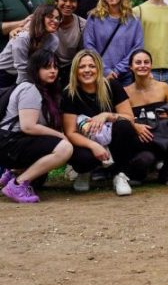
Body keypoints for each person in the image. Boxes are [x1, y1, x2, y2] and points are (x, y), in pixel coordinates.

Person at [0, 49, 101, 203]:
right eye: (47, 67)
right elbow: (28, 127)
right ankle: (17, 184)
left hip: (14, 141)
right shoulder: (30, 89)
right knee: (64, 148)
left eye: (55, 67)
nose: (53, 71)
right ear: (36, 69)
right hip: (7, 143)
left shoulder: (46, 91)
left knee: (41, 175)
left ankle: (14, 173)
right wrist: (61, 136)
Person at [61, 49, 147, 196]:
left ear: (99, 68)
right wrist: (93, 146)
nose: (87, 70)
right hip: (86, 141)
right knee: (82, 158)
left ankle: (120, 175)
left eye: (92, 66)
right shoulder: (70, 93)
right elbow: (70, 132)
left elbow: (129, 118)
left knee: (124, 126)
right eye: (82, 67)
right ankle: (84, 172)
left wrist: (106, 115)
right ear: (75, 70)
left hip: (112, 138)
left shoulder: (112, 86)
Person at [124, 49, 168, 185]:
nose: (142, 65)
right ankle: (136, 174)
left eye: (146, 62)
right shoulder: (125, 92)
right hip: (143, 139)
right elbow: (124, 118)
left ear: (151, 65)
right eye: (138, 62)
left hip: (164, 135)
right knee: (144, 160)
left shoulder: (163, 87)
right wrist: (135, 126)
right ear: (131, 67)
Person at [0, 4, 61, 99]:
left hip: (18, 79)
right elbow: (22, 68)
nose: (55, 21)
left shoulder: (53, 41)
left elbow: (43, 65)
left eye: (57, 18)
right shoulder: (23, 37)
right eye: (50, 17)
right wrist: (27, 93)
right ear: (40, 18)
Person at [83, 0, 143, 85]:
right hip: (99, 74)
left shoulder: (134, 20)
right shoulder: (94, 17)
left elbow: (137, 48)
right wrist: (105, 70)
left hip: (126, 75)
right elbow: (89, 46)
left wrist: (118, 70)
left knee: (125, 103)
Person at [51, 0, 86, 79]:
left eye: (73, 0)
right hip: (49, 67)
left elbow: (83, 53)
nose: (68, 4)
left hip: (72, 70)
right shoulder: (46, 21)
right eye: (64, 0)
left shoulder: (83, 25)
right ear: (56, 1)